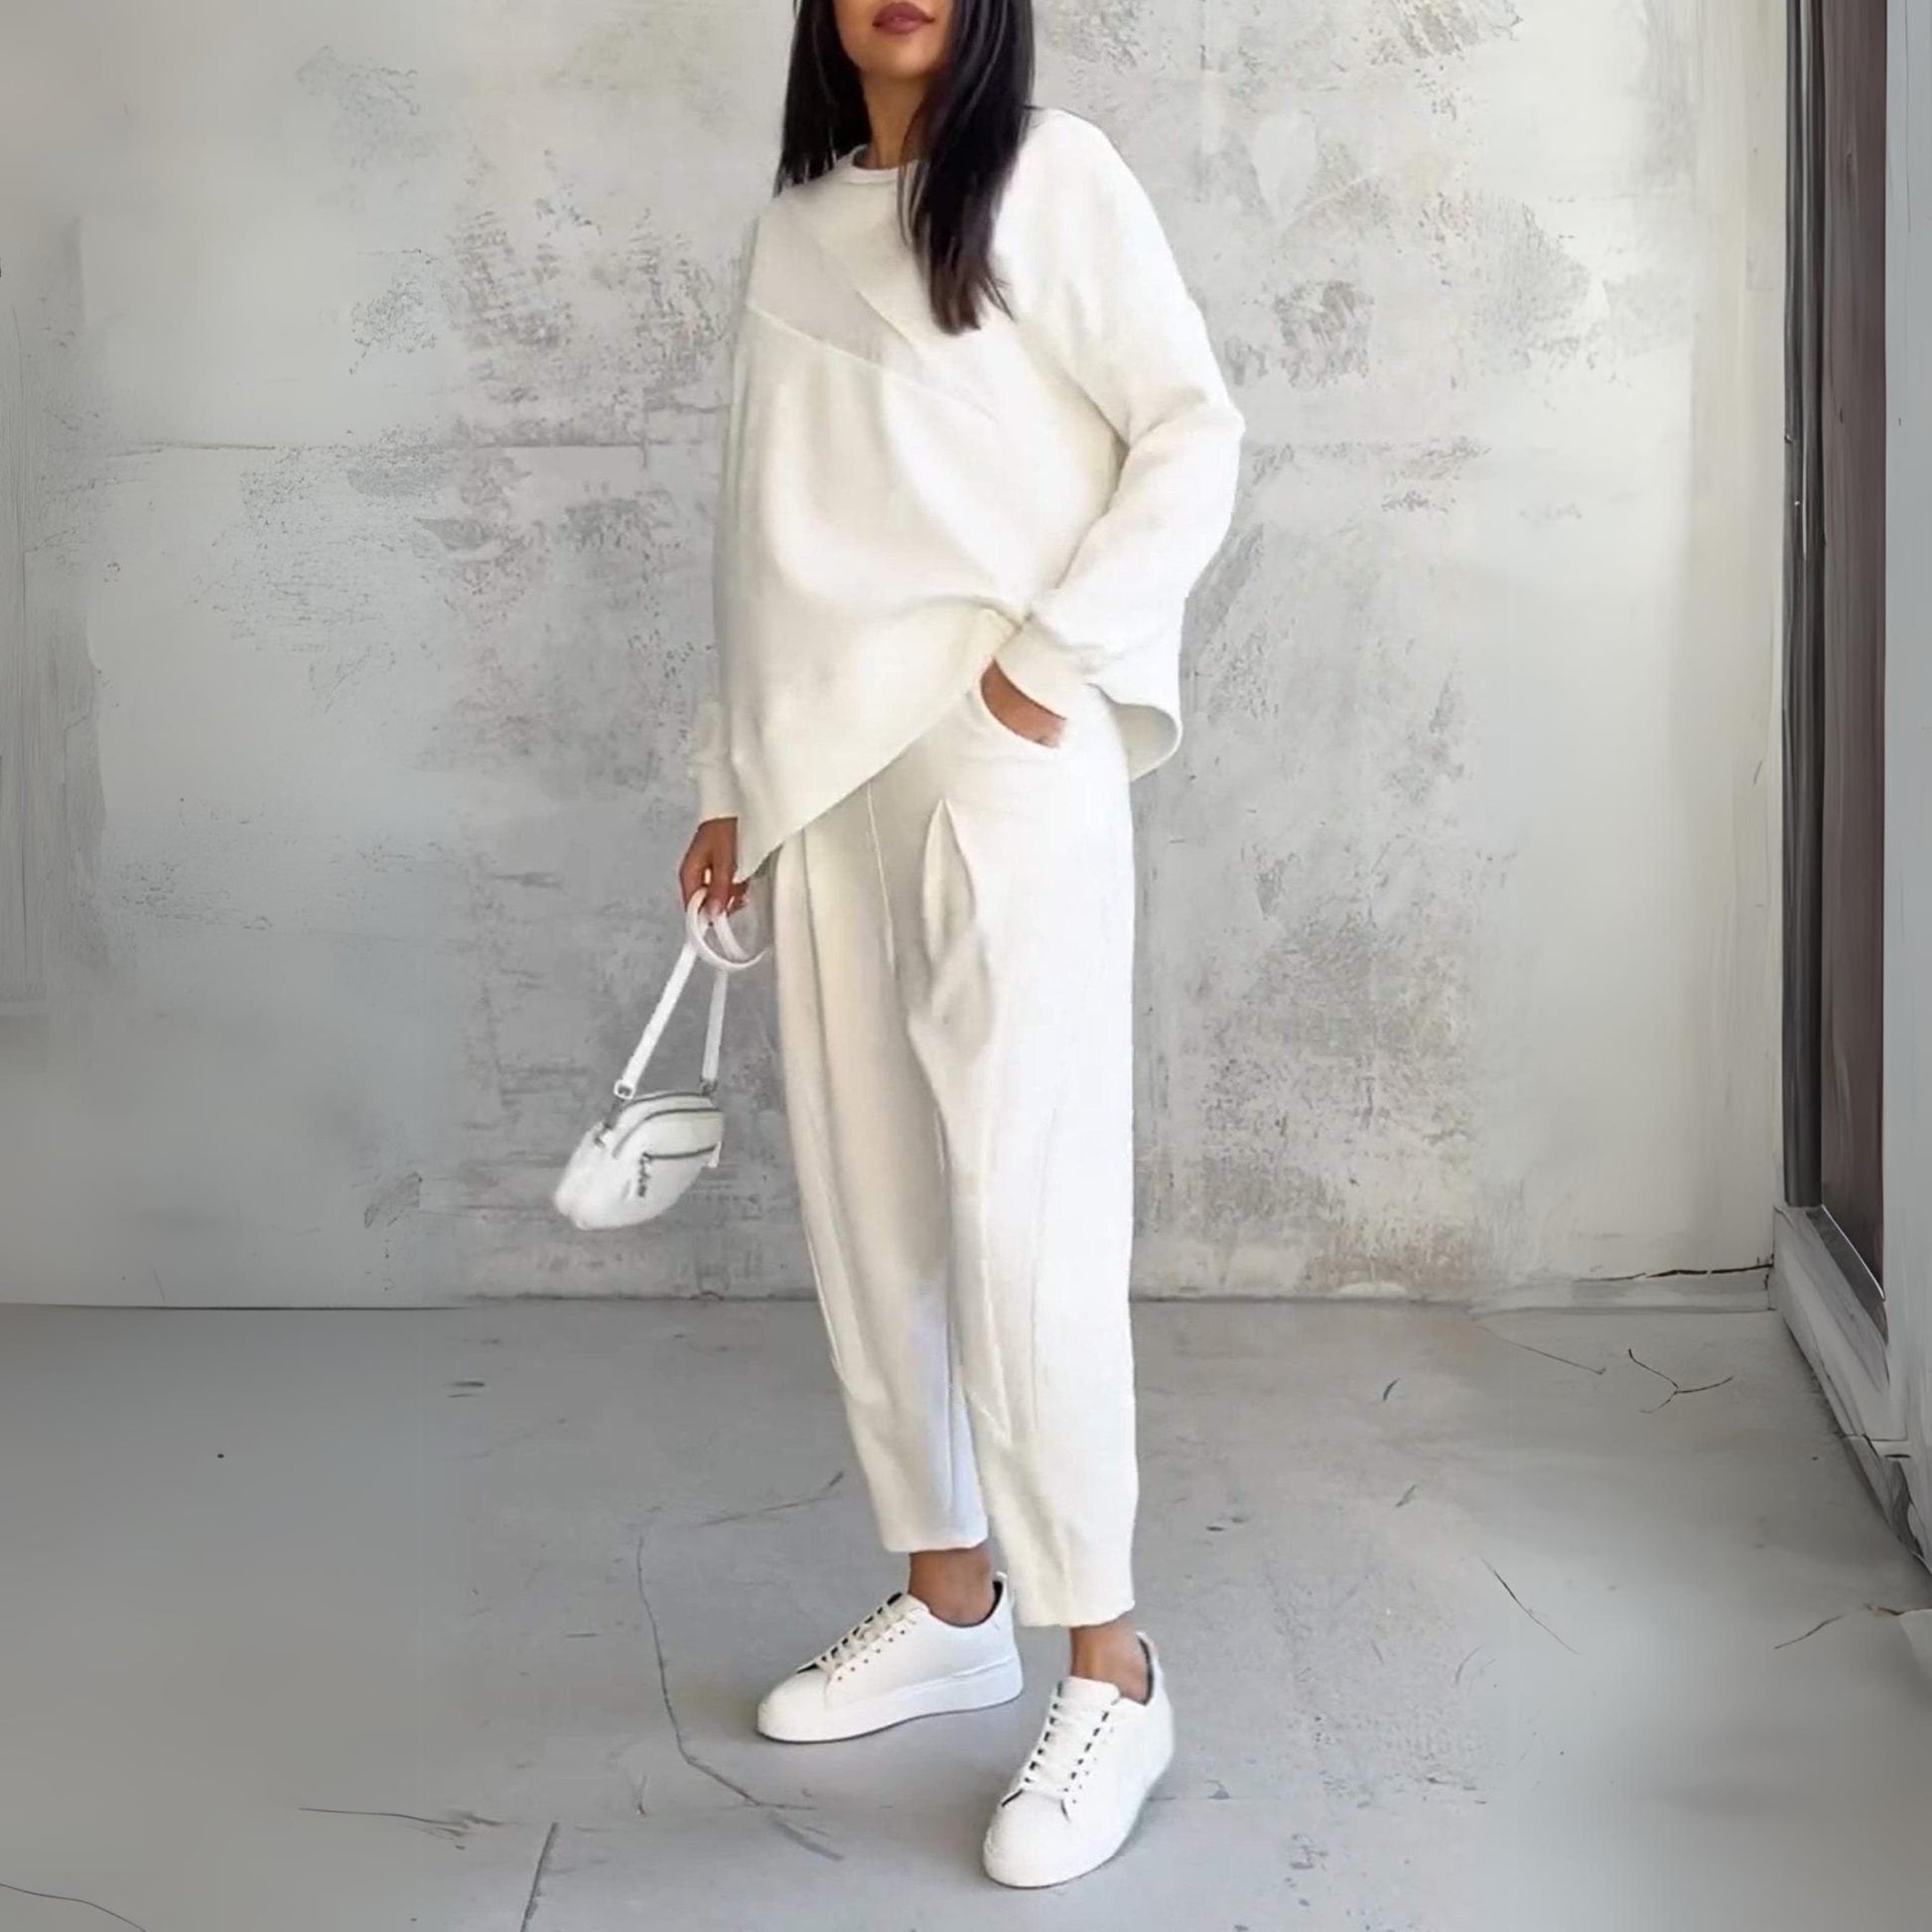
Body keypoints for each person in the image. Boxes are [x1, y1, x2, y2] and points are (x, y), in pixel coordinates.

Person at [676, 0, 1242, 1889]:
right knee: (871, 1205)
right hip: (821, 777)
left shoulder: (1052, 179)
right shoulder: (792, 229)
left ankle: (1112, 1665)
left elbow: (1191, 430)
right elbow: (754, 527)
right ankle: (946, 1597)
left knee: (1025, 1200)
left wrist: (1045, 664)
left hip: (1001, 749)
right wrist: (728, 778)